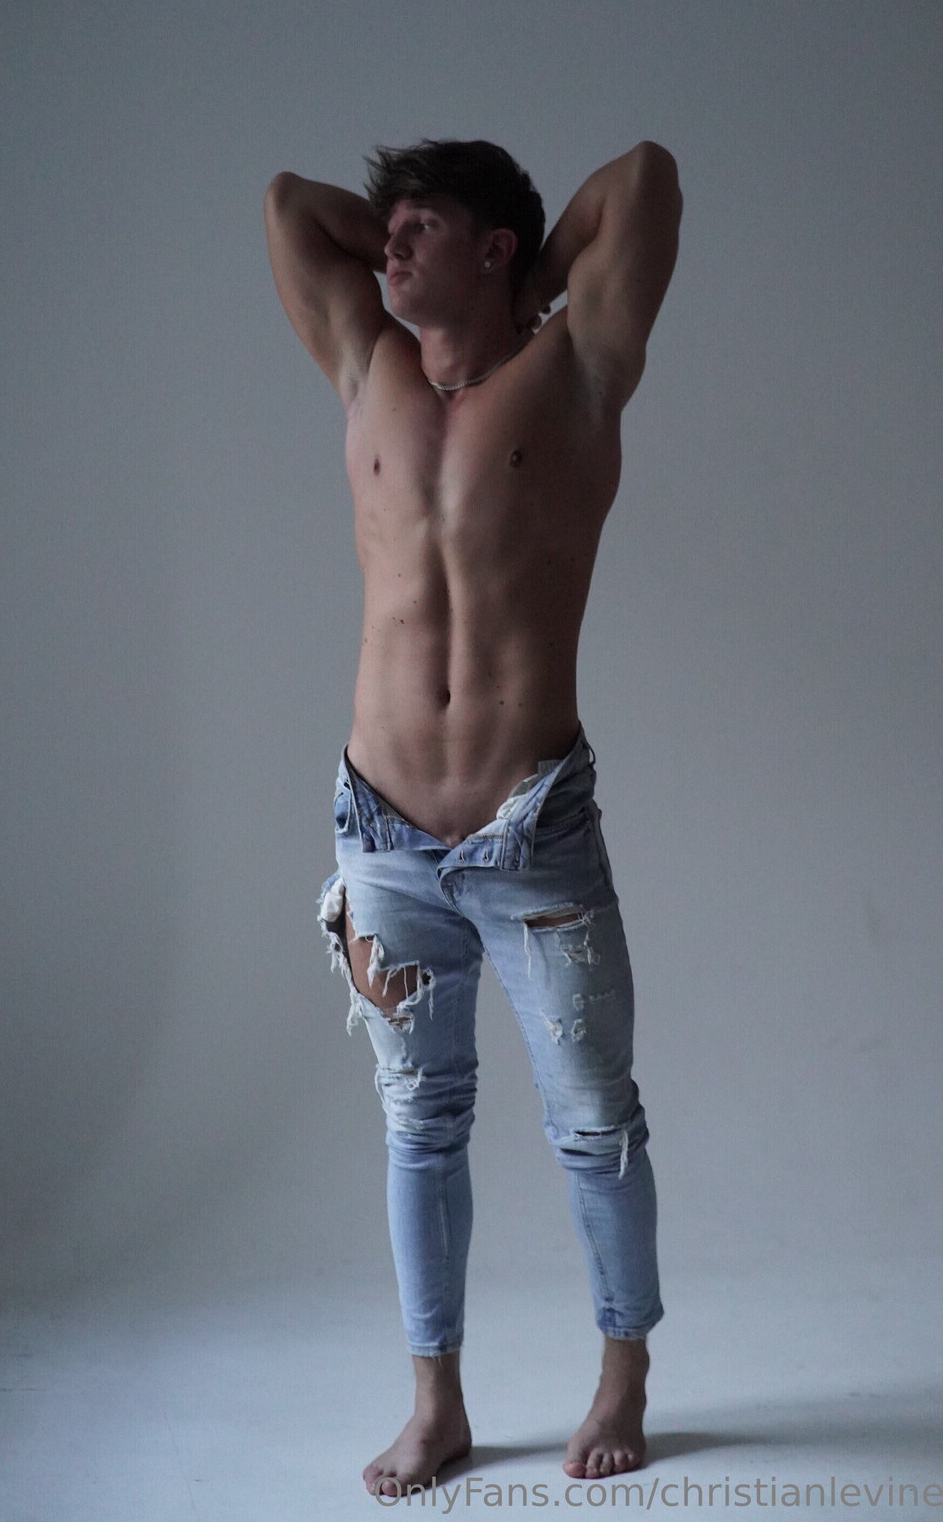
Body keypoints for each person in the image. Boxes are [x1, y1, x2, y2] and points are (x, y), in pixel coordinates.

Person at [264, 137, 681, 1498]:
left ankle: (622, 1372)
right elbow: (289, 207)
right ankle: (435, 1402)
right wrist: (412, 230)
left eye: (421, 228)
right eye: (386, 231)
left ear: (497, 247)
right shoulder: (367, 366)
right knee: (418, 1122)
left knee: (595, 1121)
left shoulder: (577, 370)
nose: (387, 248)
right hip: (381, 832)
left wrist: (539, 276)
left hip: (529, 826)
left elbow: (646, 178)